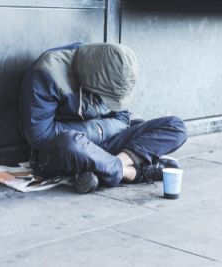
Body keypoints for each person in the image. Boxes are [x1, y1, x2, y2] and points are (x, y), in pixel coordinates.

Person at [19, 42, 187, 193]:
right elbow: (41, 137)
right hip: (65, 151)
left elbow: (122, 118)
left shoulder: (112, 67)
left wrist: (100, 134)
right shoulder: (47, 73)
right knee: (70, 142)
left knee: (176, 126)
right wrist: (98, 130)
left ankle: (106, 167)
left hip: (105, 142)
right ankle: (133, 173)